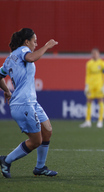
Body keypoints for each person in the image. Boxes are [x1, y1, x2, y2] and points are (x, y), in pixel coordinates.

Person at [0, 28, 58, 178]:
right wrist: (47, 46)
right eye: (35, 41)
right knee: (36, 141)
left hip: (31, 102)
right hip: (23, 103)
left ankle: (40, 167)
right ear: (27, 41)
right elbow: (31, 58)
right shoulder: (23, 50)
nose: (36, 44)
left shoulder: (10, 58)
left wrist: (6, 90)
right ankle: (6, 160)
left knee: (47, 130)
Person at [80, 48, 104, 128]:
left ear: (99, 54)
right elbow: (87, 75)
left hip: (99, 85)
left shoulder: (102, 63)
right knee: (89, 102)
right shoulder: (89, 63)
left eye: (96, 53)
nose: (94, 55)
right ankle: (88, 121)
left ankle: (100, 121)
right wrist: (86, 85)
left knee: (101, 101)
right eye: (93, 53)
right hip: (91, 85)